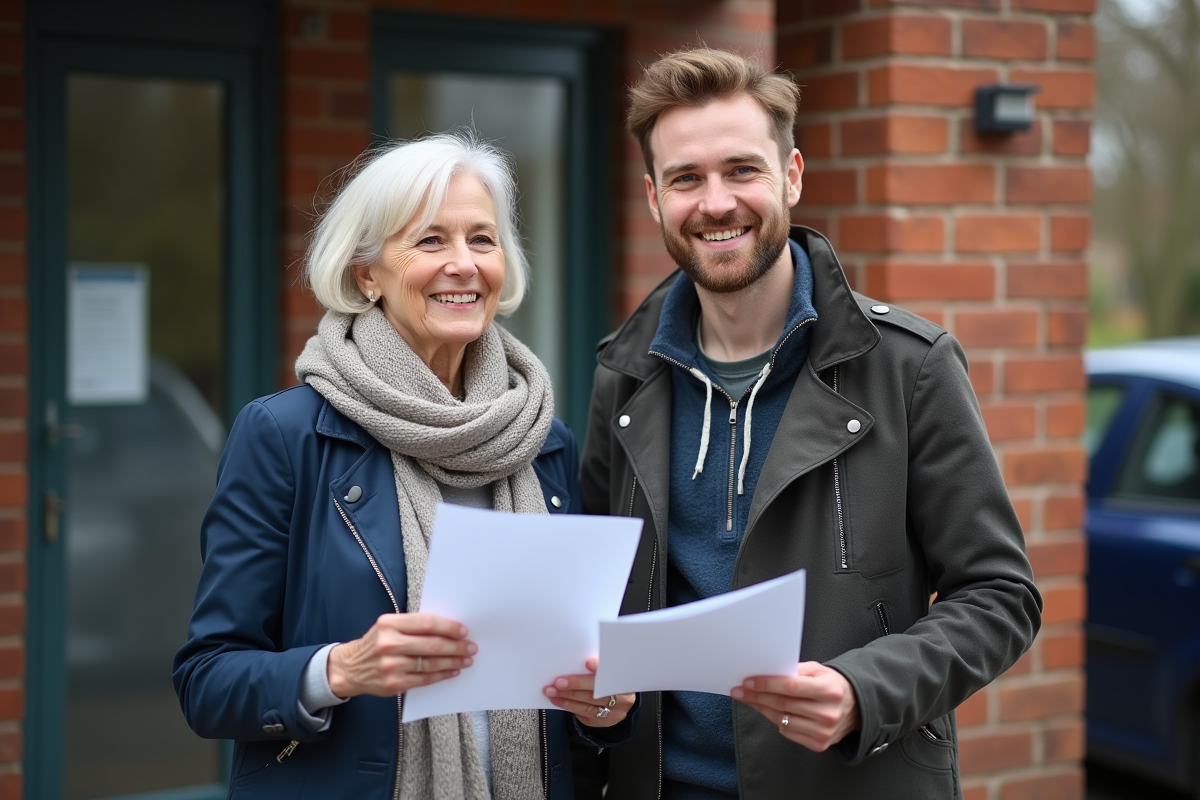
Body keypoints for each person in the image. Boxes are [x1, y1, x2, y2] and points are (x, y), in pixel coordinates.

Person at [578, 48, 1042, 798]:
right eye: (686, 178)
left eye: (742, 170)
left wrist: (866, 690)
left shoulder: (909, 367)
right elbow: (592, 605)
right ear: (654, 198)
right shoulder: (620, 376)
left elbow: (1000, 596)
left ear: (791, 175)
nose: (717, 202)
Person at [173, 131, 635, 800]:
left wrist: (607, 709)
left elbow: (579, 670)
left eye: (482, 240)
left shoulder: (543, 440)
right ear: (367, 274)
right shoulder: (285, 436)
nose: (463, 264)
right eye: (429, 241)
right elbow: (206, 681)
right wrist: (341, 669)